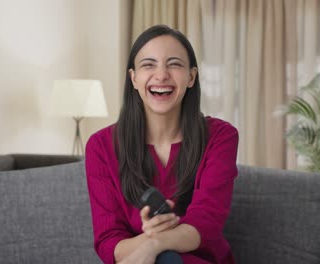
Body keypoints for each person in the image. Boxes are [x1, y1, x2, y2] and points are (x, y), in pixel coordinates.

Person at [85, 24, 239, 264]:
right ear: (133, 78)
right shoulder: (100, 146)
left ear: (191, 77)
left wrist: (154, 244)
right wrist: (154, 244)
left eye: (174, 64)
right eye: (148, 64)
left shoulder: (221, 136)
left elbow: (206, 225)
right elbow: (109, 243)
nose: (161, 74)